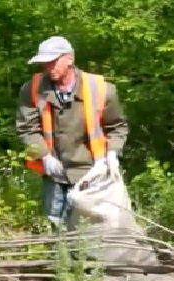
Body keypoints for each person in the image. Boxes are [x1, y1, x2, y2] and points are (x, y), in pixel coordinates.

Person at [15, 36, 128, 233]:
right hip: (54, 171)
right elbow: (27, 128)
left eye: (53, 62)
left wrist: (111, 155)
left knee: (93, 230)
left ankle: (90, 263)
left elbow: (117, 127)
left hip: (92, 172)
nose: (49, 68)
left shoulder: (101, 89)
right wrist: (45, 156)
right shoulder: (32, 88)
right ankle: (62, 261)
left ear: (69, 59)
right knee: (56, 225)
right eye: (45, 63)